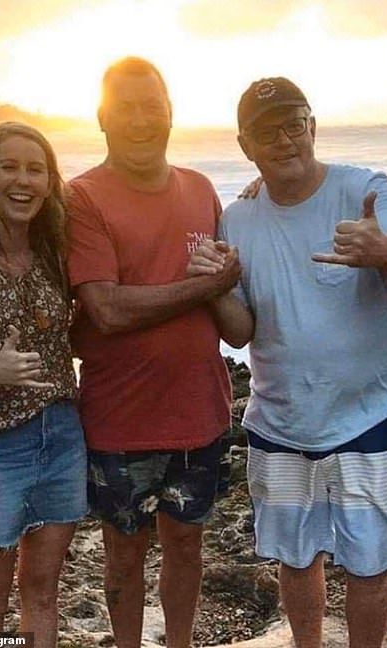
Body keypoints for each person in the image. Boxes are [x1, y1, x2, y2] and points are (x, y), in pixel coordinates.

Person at [188, 76, 387, 648]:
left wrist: (385, 252)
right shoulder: (238, 220)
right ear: (246, 146)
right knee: (295, 557)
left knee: (370, 563)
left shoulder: (363, 189)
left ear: (313, 127)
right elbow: (242, 334)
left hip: (369, 418)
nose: (285, 140)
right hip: (278, 421)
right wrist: (215, 286)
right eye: (268, 131)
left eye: (295, 124)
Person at [66, 57, 240, 648]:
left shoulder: (200, 189)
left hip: (202, 412)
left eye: (152, 106)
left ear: (171, 112)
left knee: (188, 543)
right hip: (120, 421)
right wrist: (204, 288)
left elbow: (232, 308)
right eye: (125, 109)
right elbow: (106, 310)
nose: (141, 121)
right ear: (102, 119)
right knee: (124, 552)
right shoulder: (82, 197)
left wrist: (266, 197)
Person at [0, 122, 87, 647]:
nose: (23, 180)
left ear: (50, 183)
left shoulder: (56, 250)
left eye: (36, 169)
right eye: (9, 166)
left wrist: (254, 191)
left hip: (61, 439)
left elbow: (123, 207)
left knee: (43, 591)